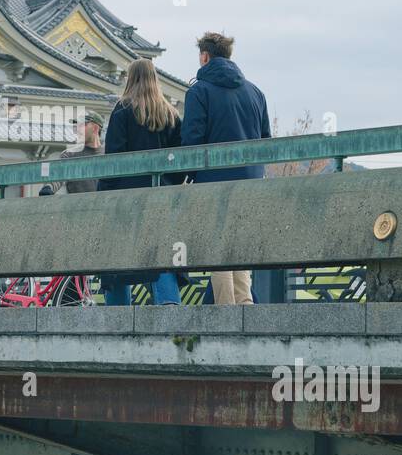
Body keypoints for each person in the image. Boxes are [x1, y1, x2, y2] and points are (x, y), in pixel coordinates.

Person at [181, 31, 270, 306]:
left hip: (214, 182)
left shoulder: (199, 91)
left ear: (204, 57)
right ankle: (245, 306)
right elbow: (266, 140)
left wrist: (192, 177)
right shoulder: (255, 92)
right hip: (251, 181)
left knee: (218, 247)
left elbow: (192, 140)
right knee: (238, 245)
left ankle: (226, 311)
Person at [98, 60, 184, 306]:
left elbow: (113, 159)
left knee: (117, 258)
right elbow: (180, 161)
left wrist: (105, 193)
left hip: (126, 200)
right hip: (162, 199)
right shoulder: (170, 114)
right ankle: (169, 309)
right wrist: (170, 184)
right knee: (161, 254)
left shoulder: (122, 110)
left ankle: (118, 316)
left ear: (131, 78)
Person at [38, 111, 106, 196]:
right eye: (76, 126)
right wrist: (48, 187)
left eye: (82, 125)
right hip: (78, 207)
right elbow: (58, 174)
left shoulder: (110, 154)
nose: (77, 129)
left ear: (95, 128)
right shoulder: (70, 155)